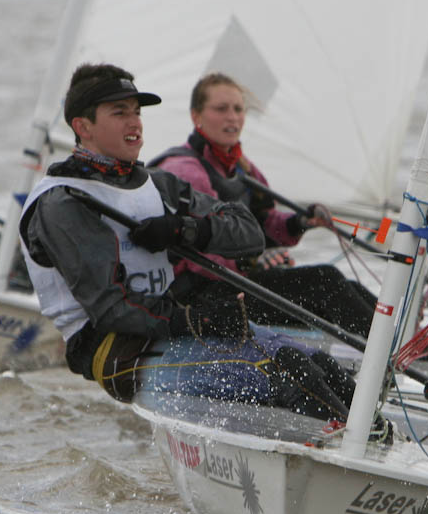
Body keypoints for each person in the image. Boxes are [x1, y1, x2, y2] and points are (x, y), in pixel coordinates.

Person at [19, 63, 358, 422]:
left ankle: (376, 441)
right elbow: (111, 309)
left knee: (324, 366)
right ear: (83, 127)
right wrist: (199, 319)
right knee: (291, 371)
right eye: (119, 113)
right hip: (118, 351)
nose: (135, 123)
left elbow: (249, 233)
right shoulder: (62, 203)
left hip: (171, 328)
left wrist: (185, 230)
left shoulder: (157, 184)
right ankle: (344, 444)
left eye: (136, 112)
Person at [149, 72, 378, 336]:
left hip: (235, 282)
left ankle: (400, 344)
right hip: (201, 294)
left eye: (238, 109)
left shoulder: (241, 167)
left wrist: (300, 222)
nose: (232, 117)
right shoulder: (185, 170)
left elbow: (266, 223)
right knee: (326, 282)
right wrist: (252, 263)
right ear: (196, 116)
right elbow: (199, 254)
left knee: (347, 287)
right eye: (221, 109)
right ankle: (387, 351)